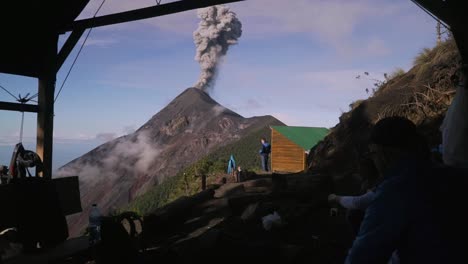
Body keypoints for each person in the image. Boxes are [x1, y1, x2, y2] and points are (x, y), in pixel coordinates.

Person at [345, 116, 466, 264]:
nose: (373, 160)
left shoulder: (396, 189)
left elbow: (362, 257)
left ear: (386, 153)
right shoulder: (454, 174)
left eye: (373, 153)